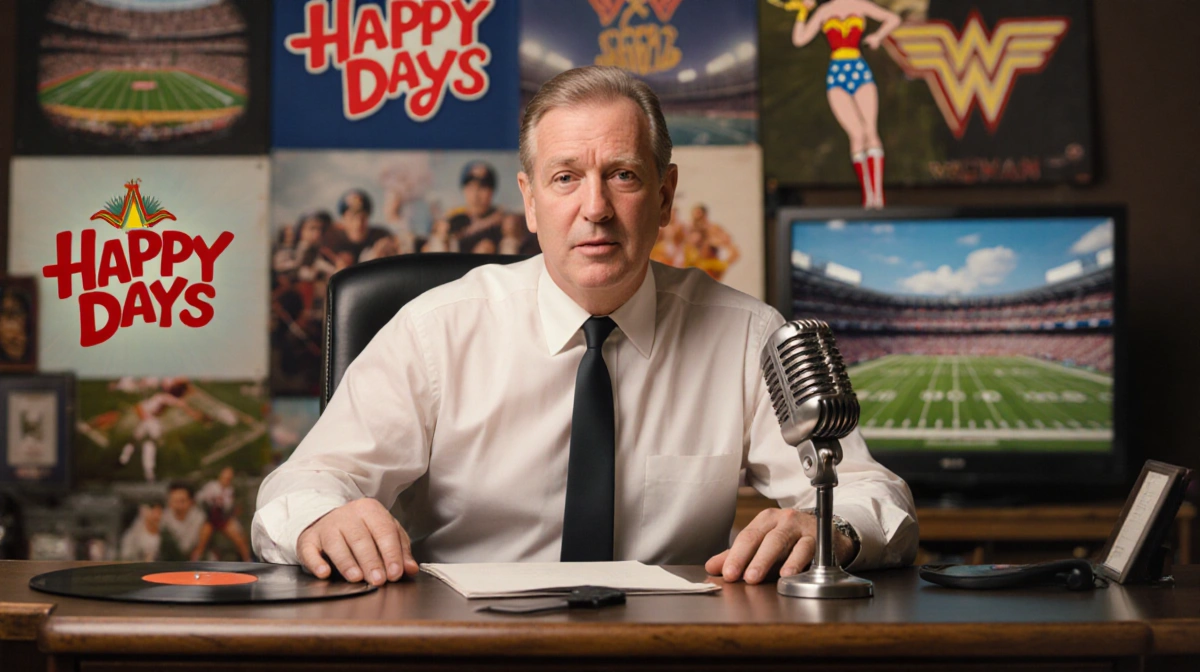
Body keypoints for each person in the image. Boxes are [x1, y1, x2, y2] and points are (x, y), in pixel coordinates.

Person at [253, 66, 917, 587]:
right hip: (465, 645)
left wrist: (832, 530)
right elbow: (297, 487)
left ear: (664, 196)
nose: (594, 208)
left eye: (622, 175)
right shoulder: (436, 332)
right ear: (530, 201)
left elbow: (872, 494)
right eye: (565, 178)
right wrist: (324, 516)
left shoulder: (746, 337)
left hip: (666, 648)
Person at [790, 0, 900, 208]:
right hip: (836, 75)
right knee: (857, 135)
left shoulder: (860, 5)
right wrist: (802, 12)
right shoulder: (824, 11)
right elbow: (799, 39)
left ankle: (878, 197)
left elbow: (893, 18)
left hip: (859, 71)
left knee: (870, 131)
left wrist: (878, 36)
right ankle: (868, 197)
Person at [325, 189, 399, 267]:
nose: (358, 223)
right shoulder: (333, 241)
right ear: (343, 219)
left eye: (363, 217)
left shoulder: (380, 236)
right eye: (352, 217)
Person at [196, 466, 253, 561]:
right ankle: (195, 560)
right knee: (202, 541)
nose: (227, 478)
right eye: (225, 476)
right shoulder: (211, 486)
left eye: (229, 477)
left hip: (223, 519)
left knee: (239, 538)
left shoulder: (230, 491)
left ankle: (247, 559)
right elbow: (200, 498)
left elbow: (229, 508)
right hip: (211, 518)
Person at [160, 481, 208, 561]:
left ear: (191, 502)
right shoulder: (162, 517)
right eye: (174, 501)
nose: (178, 505)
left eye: (182, 501)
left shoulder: (199, 518)